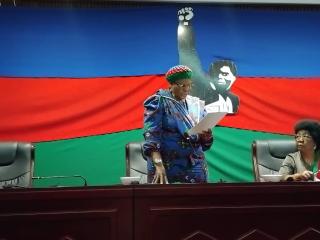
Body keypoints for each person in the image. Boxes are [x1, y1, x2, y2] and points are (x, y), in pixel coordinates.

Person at [142, 65, 214, 184]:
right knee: (163, 200)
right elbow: (151, 136)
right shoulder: (159, 101)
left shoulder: (196, 105)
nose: (187, 89)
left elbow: (205, 143)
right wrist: (158, 165)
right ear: (172, 84)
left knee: (198, 200)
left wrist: (206, 136)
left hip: (194, 164)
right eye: (183, 85)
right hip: (165, 165)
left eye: (190, 85)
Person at [177, 7, 240, 113]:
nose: (220, 77)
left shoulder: (233, 100)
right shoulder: (199, 86)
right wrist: (185, 23)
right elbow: (187, 51)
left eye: (224, 74)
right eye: (216, 73)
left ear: (234, 78)